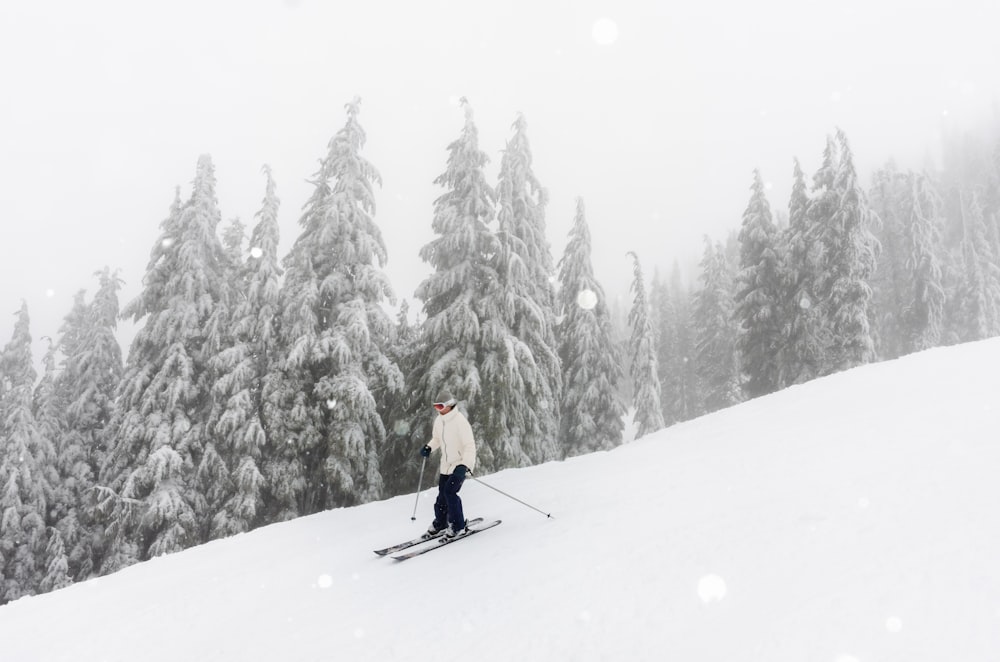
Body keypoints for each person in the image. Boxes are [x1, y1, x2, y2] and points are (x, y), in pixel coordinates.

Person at [420, 391, 477, 539]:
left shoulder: (460, 421)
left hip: (459, 466)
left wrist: (465, 465)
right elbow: (437, 439)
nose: (437, 409)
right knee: (442, 496)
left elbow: (469, 446)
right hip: (446, 465)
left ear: (449, 405)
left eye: (440, 406)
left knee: (450, 493)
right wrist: (429, 447)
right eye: (435, 406)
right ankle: (441, 522)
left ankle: (457, 525)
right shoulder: (439, 421)